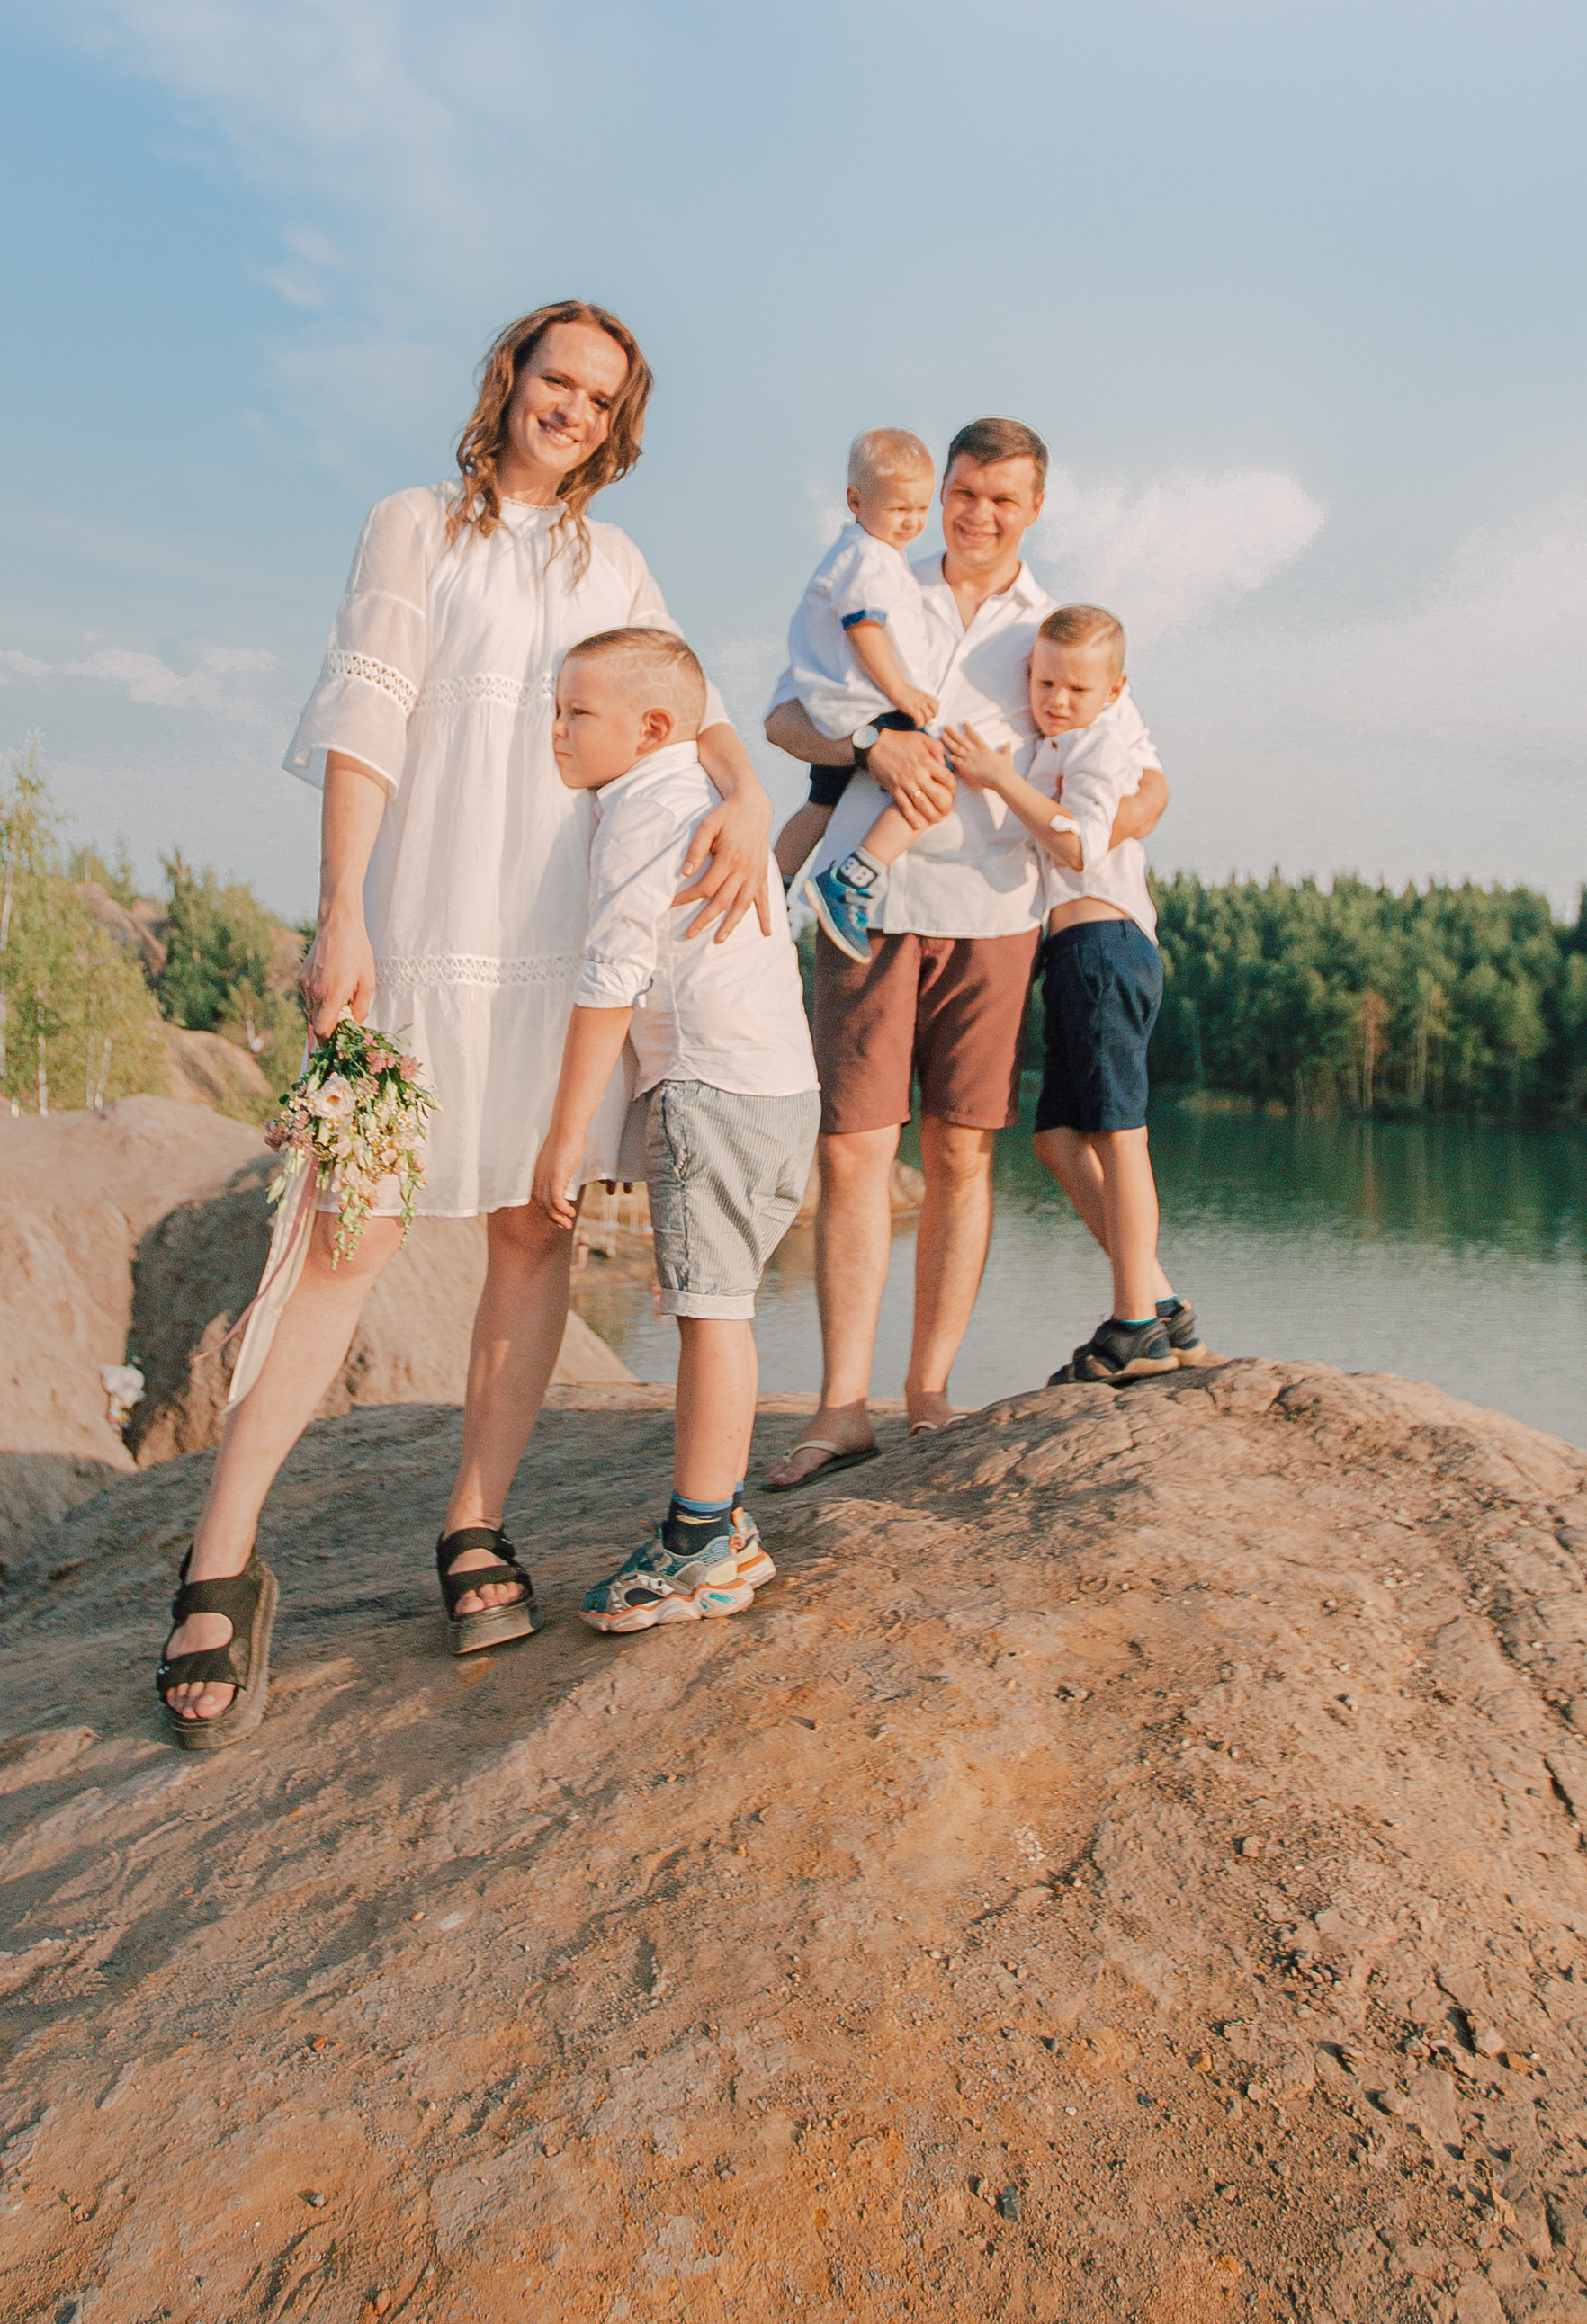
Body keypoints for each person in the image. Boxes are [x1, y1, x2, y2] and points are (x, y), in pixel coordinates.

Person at [156, 302, 775, 1737]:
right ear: (511, 380)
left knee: (534, 1224)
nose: (571, 408)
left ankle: (477, 1527)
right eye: (555, 378)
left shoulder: (614, 561)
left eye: (599, 396)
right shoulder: (413, 527)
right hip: (426, 933)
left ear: (620, 425)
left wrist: (745, 797)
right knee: (345, 1231)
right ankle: (221, 1561)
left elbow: (700, 710)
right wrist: (343, 908)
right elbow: (366, 719)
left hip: (566, 950)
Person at [756, 419, 1169, 1488]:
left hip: (995, 910)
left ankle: (927, 1392)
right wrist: (868, 745)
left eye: (1003, 500)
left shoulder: (1061, 630)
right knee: (853, 1147)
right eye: (964, 493)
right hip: (868, 897)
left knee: (962, 1149)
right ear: (940, 490)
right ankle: (840, 1406)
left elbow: (1147, 776)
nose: (978, 515)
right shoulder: (877, 573)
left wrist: (1107, 831)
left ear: (1035, 509)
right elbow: (784, 718)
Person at [529, 626, 820, 1631]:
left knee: (710, 1312)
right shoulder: (693, 790)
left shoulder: (647, 815)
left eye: (574, 714)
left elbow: (612, 977)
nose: (555, 732)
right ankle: (721, 1524)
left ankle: (700, 1544)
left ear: (650, 727)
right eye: (554, 710)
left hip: (712, 1090)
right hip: (776, 1088)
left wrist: (564, 1138)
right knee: (716, 1304)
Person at [942, 604, 1192, 1381]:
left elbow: (1081, 844)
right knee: (1056, 1138)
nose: (1055, 699)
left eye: (1075, 688)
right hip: (1076, 955)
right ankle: (1159, 1303)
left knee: (1121, 1136)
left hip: (1103, 948)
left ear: (1114, 689)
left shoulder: (1095, 743)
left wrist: (997, 777)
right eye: (1045, 682)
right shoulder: (1070, 731)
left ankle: (1134, 1327)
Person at [771, 429, 939, 888]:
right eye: (899, 508)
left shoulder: (855, 552)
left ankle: (774, 882)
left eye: (922, 508)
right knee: (932, 788)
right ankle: (849, 882)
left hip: (839, 708)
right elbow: (863, 626)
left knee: (820, 806)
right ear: (855, 500)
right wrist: (900, 690)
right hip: (870, 705)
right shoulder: (872, 556)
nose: (912, 522)